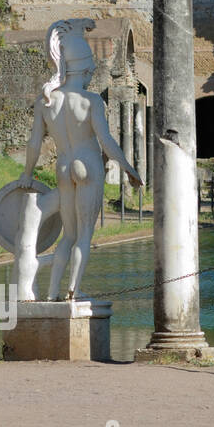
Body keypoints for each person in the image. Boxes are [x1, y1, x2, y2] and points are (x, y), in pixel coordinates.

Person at [20, 19, 142, 300]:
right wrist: (128, 168)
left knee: (68, 235)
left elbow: (34, 142)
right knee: (84, 235)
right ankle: (73, 290)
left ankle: (52, 293)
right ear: (86, 69)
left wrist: (27, 174)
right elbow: (106, 141)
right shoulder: (91, 101)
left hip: (62, 165)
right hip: (87, 165)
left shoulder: (46, 101)